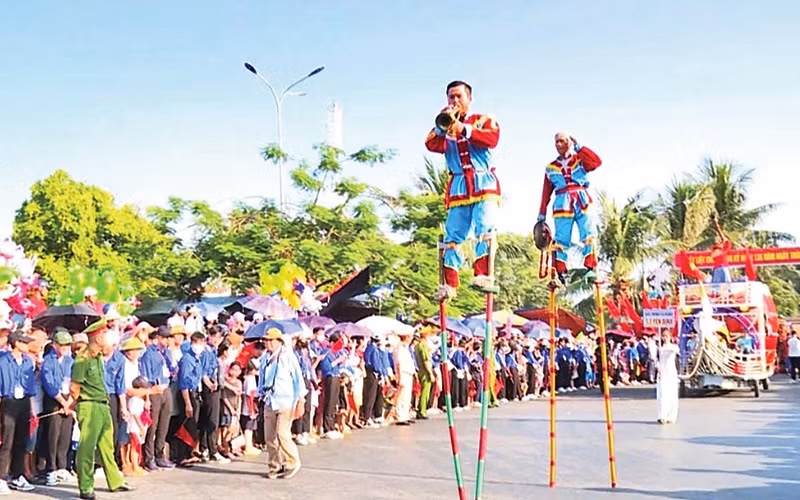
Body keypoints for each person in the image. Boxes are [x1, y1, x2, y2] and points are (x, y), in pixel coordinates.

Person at [425, 80, 501, 300]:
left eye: (459, 96)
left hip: (483, 182)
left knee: (484, 226)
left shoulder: (484, 120)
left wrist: (464, 129)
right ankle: (449, 284)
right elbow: (431, 144)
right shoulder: (443, 127)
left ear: (469, 98)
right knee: (452, 234)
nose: (455, 101)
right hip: (458, 185)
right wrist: (442, 126)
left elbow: (491, 139)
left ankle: (483, 273)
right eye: (451, 97)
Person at [70, 320, 133, 499]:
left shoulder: (98, 357)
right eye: (105, 334)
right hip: (89, 406)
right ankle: (86, 486)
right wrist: (75, 406)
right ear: (98, 337)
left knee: (107, 445)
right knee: (87, 448)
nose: (108, 338)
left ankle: (115, 481)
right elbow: (74, 387)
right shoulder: (83, 358)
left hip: (102, 404)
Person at [536, 133, 602, 284]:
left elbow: (596, 162)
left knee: (588, 233)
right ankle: (561, 271)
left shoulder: (580, 159)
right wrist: (541, 214)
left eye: (562, 141)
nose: (559, 144)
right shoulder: (551, 168)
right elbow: (546, 192)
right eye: (556, 142)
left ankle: (591, 267)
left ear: (569, 143)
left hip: (582, 199)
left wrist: (579, 147)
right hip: (561, 203)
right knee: (561, 238)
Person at [258, 329, 307, 479]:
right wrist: (259, 394)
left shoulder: (287, 357)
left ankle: (292, 461)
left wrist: (301, 400)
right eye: (266, 340)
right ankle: (275, 465)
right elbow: (262, 378)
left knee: (282, 433)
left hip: (286, 400)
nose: (268, 343)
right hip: (270, 400)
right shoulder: (265, 358)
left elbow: (298, 378)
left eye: (271, 340)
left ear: (279, 341)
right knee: (270, 436)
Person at [0, 331, 37, 493]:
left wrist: (33, 409)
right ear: (16, 343)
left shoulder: (29, 362)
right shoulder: (3, 361)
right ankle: (1, 477)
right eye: (24, 342)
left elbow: (31, 387)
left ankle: (17, 475)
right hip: (8, 401)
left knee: (22, 440)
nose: (27, 345)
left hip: (24, 402)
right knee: (7, 441)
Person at [40, 329, 75, 486]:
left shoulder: (70, 361)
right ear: (54, 344)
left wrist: (69, 403)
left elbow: (74, 382)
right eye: (62, 345)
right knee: (52, 435)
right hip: (54, 399)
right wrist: (62, 402)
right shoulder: (48, 360)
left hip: (68, 399)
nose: (65, 348)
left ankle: (62, 466)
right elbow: (49, 384)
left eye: (68, 345)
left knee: (65, 434)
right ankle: (51, 468)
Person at [138, 326, 175, 471]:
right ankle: (149, 457)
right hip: (155, 390)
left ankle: (160, 455)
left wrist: (171, 353)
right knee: (152, 426)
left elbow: (172, 369)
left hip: (166, 388)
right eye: (165, 338)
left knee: (164, 424)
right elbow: (146, 377)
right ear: (158, 337)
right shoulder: (149, 354)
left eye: (168, 338)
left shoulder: (165, 353)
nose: (167, 341)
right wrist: (148, 394)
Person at [172, 332, 205, 466]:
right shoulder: (187, 359)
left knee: (192, 425)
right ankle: (182, 455)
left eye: (201, 343)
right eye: (197, 343)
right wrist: (187, 403)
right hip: (187, 394)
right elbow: (184, 382)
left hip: (195, 393)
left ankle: (189, 452)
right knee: (186, 424)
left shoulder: (196, 358)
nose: (200, 346)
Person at [199, 326, 226, 463]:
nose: (216, 339)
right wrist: (209, 383)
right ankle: (212, 450)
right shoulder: (206, 351)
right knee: (212, 419)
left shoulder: (214, 351)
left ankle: (205, 448)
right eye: (213, 336)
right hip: (209, 387)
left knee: (207, 418)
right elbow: (203, 371)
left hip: (214, 385)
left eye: (219, 337)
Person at [656, 333, 680, 424]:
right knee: (662, 393)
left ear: (670, 337)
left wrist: (666, 348)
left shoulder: (673, 347)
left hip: (671, 372)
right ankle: (662, 415)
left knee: (672, 393)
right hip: (662, 372)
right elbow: (657, 360)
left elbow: (676, 350)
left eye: (666, 336)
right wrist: (658, 369)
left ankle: (671, 416)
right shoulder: (660, 348)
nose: (664, 338)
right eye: (663, 336)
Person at [393, 332, 415, 425]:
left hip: (408, 373)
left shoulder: (405, 348)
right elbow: (399, 364)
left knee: (407, 396)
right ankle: (400, 416)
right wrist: (399, 377)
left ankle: (405, 414)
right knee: (402, 395)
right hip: (403, 373)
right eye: (410, 336)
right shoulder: (399, 348)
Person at [240, 360, 261, 455]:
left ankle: (249, 445)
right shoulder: (250, 379)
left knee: (251, 427)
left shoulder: (248, 378)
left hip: (249, 406)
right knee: (249, 427)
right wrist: (251, 409)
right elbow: (250, 395)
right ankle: (248, 446)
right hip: (248, 408)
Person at [414, 328, 434, 420]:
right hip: (425, 371)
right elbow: (426, 361)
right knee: (425, 392)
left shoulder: (417, 346)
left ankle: (420, 409)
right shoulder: (423, 347)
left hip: (420, 370)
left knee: (423, 391)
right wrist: (430, 373)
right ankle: (422, 410)